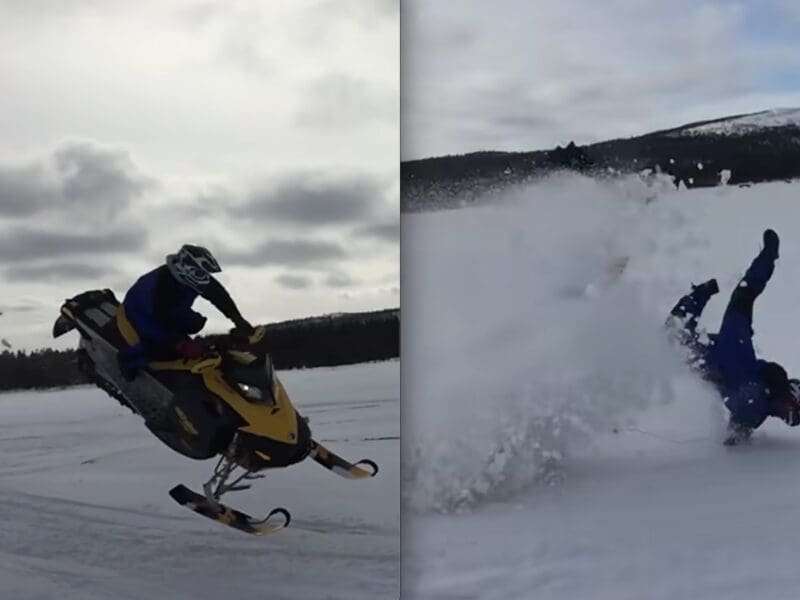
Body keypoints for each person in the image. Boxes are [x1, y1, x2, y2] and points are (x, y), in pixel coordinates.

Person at [667, 229, 800, 445]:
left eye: (789, 416)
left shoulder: (754, 403)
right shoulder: (741, 356)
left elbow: (744, 295)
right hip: (716, 358)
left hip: (711, 359)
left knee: (671, 344)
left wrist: (701, 293)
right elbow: (744, 295)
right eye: (789, 412)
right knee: (672, 344)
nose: (787, 416)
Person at [117, 244, 253, 379]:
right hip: (143, 313)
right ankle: (127, 360)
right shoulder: (163, 284)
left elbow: (219, 295)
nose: (205, 277)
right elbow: (162, 318)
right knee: (164, 348)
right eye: (201, 273)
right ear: (186, 268)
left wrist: (237, 319)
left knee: (196, 323)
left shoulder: (196, 278)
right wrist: (180, 344)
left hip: (173, 309)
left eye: (205, 274)